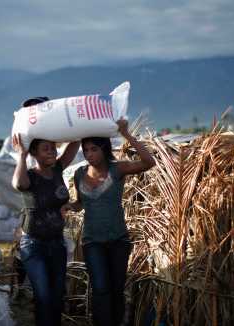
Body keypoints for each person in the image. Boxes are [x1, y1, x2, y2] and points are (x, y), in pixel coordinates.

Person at [61, 119, 155, 326]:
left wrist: (126, 134)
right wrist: (69, 206)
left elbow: (149, 162)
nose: (89, 154)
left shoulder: (117, 170)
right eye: (85, 150)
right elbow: (80, 203)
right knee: (100, 288)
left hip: (118, 240)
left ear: (104, 149)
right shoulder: (79, 174)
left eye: (93, 149)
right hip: (92, 241)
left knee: (116, 288)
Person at [12, 96, 80, 326]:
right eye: (46, 149)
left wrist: (76, 121)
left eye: (53, 148)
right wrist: (21, 155)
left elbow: (74, 144)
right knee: (43, 295)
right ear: (35, 153)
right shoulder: (29, 176)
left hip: (57, 244)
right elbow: (18, 184)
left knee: (57, 296)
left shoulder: (59, 169)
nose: (52, 152)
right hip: (34, 245)